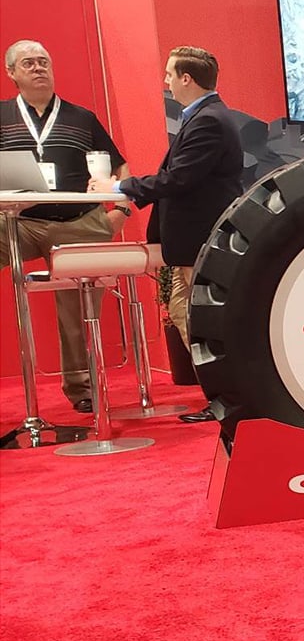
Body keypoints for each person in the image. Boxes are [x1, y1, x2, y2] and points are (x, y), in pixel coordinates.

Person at [90, 46, 241, 423]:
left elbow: (179, 179)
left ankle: (230, 398)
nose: (166, 81)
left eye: (170, 74)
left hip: (198, 237)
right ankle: (224, 394)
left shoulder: (208, 120)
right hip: (190, 240)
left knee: (204, 319)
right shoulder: (205, 116)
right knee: (182, 311)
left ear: (187, 78)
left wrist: (121, 187)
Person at [1, 39, 132, 413]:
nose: (39, 68)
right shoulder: (2, 116)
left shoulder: (81, 118)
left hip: (78, 222)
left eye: (44, 61)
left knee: (78, 308)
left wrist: (122, 212)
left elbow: (120, 166)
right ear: (11, 73)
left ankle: (81, 387)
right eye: (29, 63)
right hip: (19, 223)